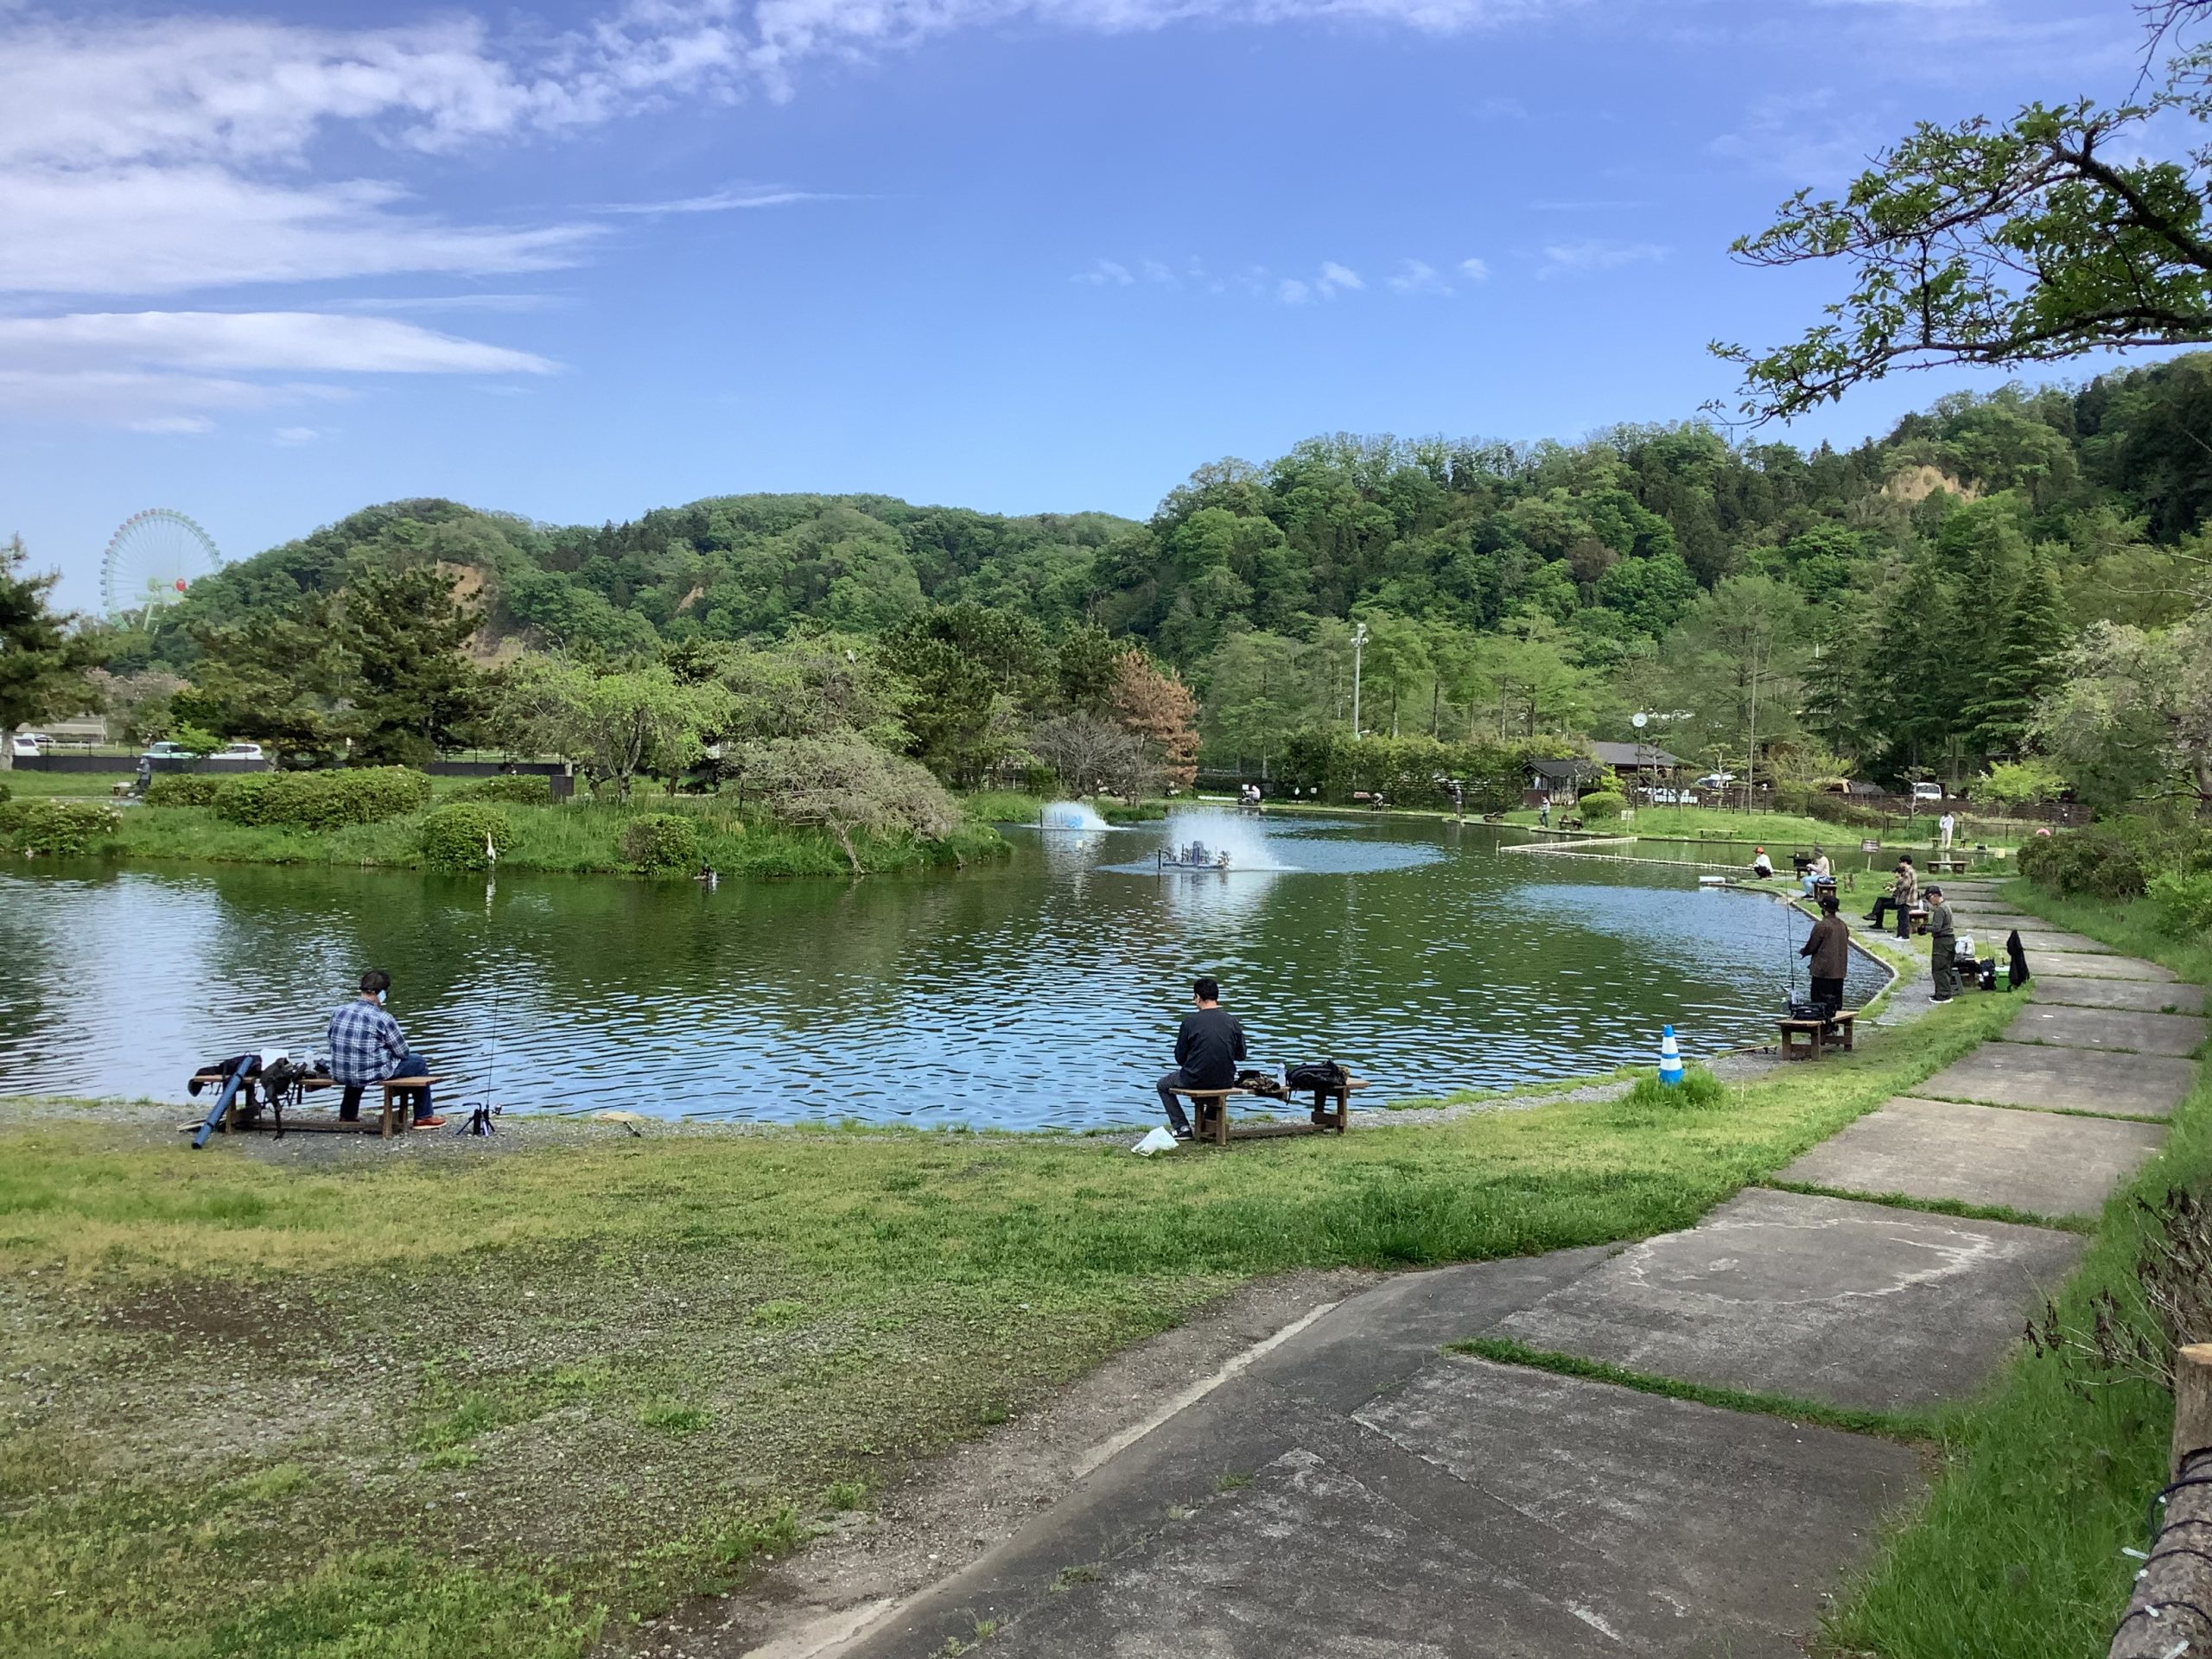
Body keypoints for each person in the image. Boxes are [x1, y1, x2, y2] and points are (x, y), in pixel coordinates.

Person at [326, 969, 443, 1127]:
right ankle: (423, 1116)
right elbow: (403, 1052)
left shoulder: (338, 1012)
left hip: (340, 1071)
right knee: (419, 1062)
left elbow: (331, 1039)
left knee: (356, 1059)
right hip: (367, 1073)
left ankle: (348, 1115)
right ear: (382, 993)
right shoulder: (383, 1018)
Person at [1155, 976, 1246, 1140]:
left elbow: (1180, 1058)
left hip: (1194, 1079)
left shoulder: (1190, 1022)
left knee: (1163, 1085)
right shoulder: (1232, 1021)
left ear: (1198, 997)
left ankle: (1182, 1127)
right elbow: (1241, 1055)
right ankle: (1207, 1122)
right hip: (1226, 1080)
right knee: (1216, 1085)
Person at [1800, 895, 1851, 1014]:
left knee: (1820, 1004)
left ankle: (1822, 1029)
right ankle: (1833, 1027)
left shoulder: (1822, 925)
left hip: (1823, 972)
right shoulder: (1842, 925)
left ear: (1824, 909)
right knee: (1835, 1005)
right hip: (1839, 972)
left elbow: (1812, 945)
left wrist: (1804, 951)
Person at [1864, 856, 1918, 936]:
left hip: (1906, 898)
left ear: (1905, 862)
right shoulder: (1910, 872)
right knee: (1882, 902)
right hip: (1903, 898)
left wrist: (1896, 889)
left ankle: (1903, 935)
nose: (1899, 864)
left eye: (1900, 862)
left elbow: (1906, 885)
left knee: (1903, 918)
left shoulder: (1909, 872)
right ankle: (1876, 919)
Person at [1923, 886, 1958, 1001]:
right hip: (1949, 941)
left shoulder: (1940, 909)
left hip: (1942, 941)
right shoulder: (1946, 906)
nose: (1929, 901)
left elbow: (1937, 927)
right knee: (1945, 967)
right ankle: (1941, 992)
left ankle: (1943, 995)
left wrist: (1924, 928)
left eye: (1929, 898)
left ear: (1935, 895)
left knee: (1939, 968)